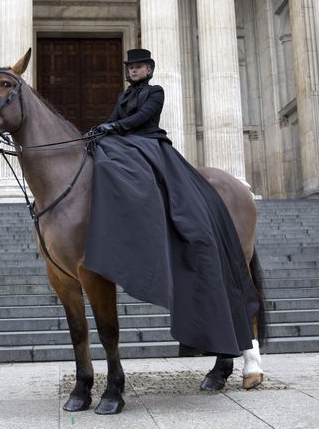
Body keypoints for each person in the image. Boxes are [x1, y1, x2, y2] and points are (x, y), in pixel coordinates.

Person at [84, 49, 260, 358]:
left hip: (150, 143)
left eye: (139, 66)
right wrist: (101, 128)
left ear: (149, 69)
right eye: (131, 67)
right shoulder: (124, 95)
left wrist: (115, 128)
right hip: (125, 141)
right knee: (102, 155)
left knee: (120, 162)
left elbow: (141, 119)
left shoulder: (156, 92)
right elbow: (115, 119)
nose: (135, 70)